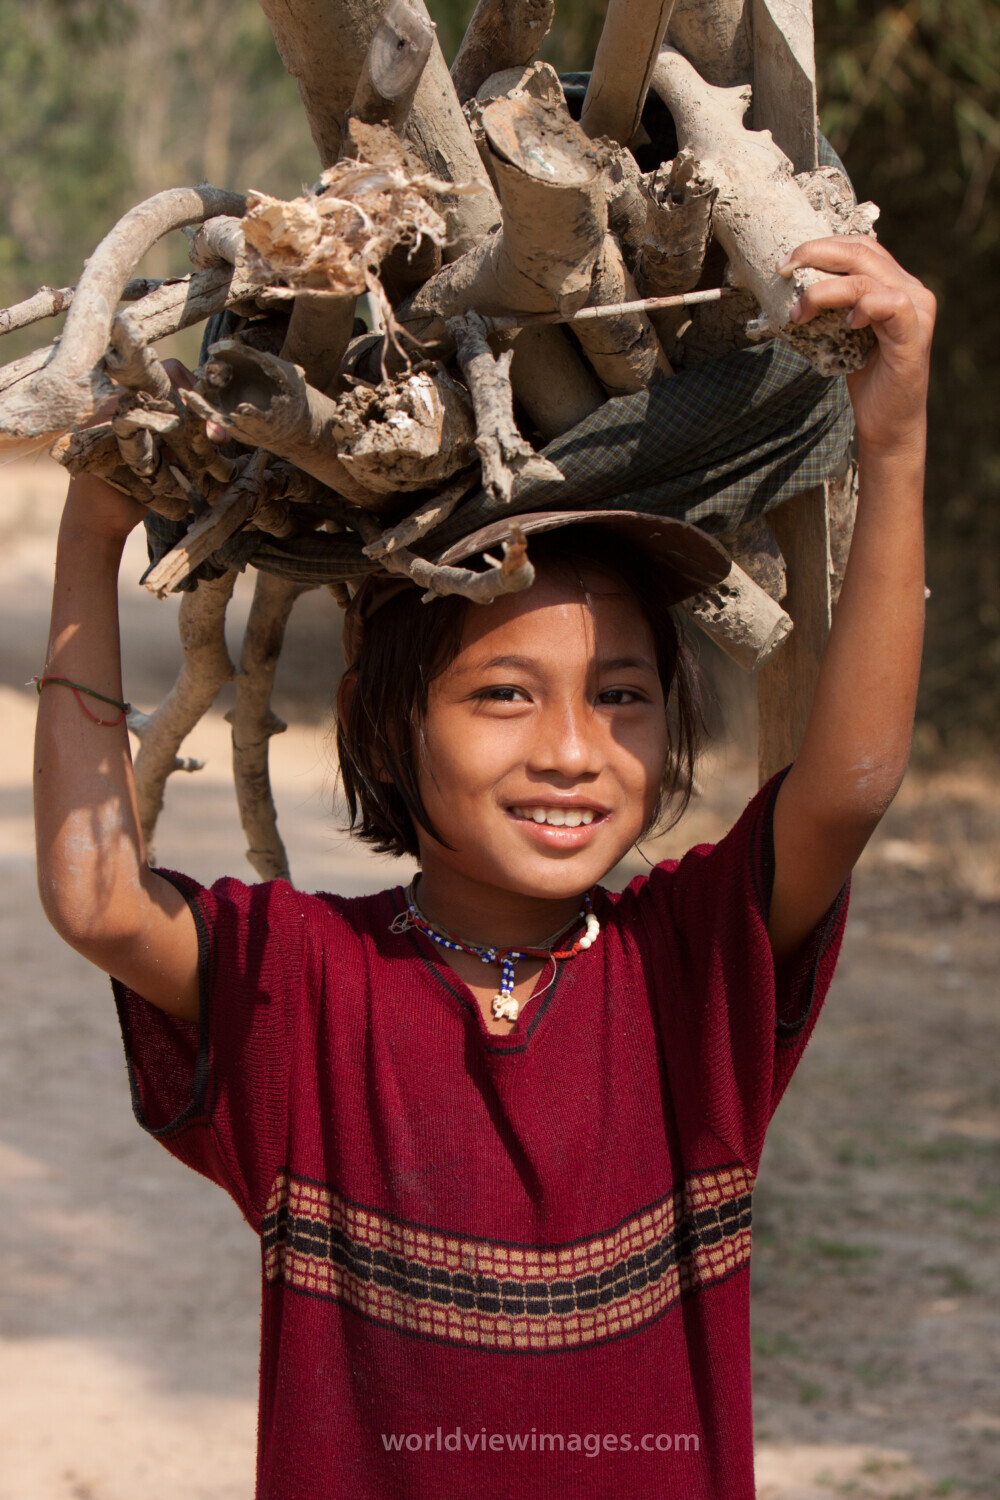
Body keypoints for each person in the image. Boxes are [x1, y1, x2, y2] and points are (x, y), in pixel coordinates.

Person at [33, 237, 934, 1499]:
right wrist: (91, 535)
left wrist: (892, 444)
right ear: (387, 717)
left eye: (621, 695)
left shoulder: (685, 975)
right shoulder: (310, 989)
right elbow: (96, 895)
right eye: (504, 694)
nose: (572, 750)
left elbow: (847, 786)